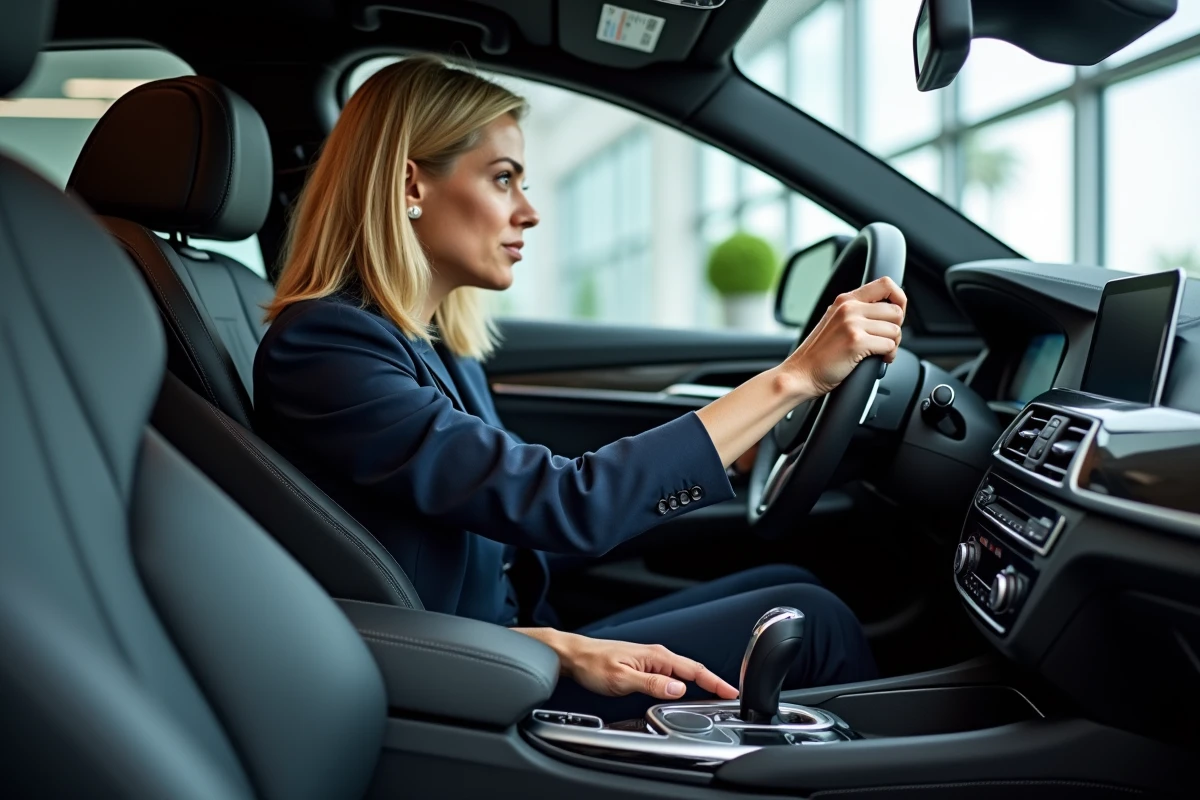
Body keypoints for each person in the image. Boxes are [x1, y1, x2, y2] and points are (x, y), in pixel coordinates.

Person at [254, 56, 905, 721]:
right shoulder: (329, 350)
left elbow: (513, 529)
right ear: (408, 184)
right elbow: (567, 502)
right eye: (503, 179)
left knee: (789, 587)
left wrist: (730, 454)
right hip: (460, 681)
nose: (529, 212)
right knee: (813, 623)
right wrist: (792, 380)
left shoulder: (433, 349)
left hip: (510, 646)